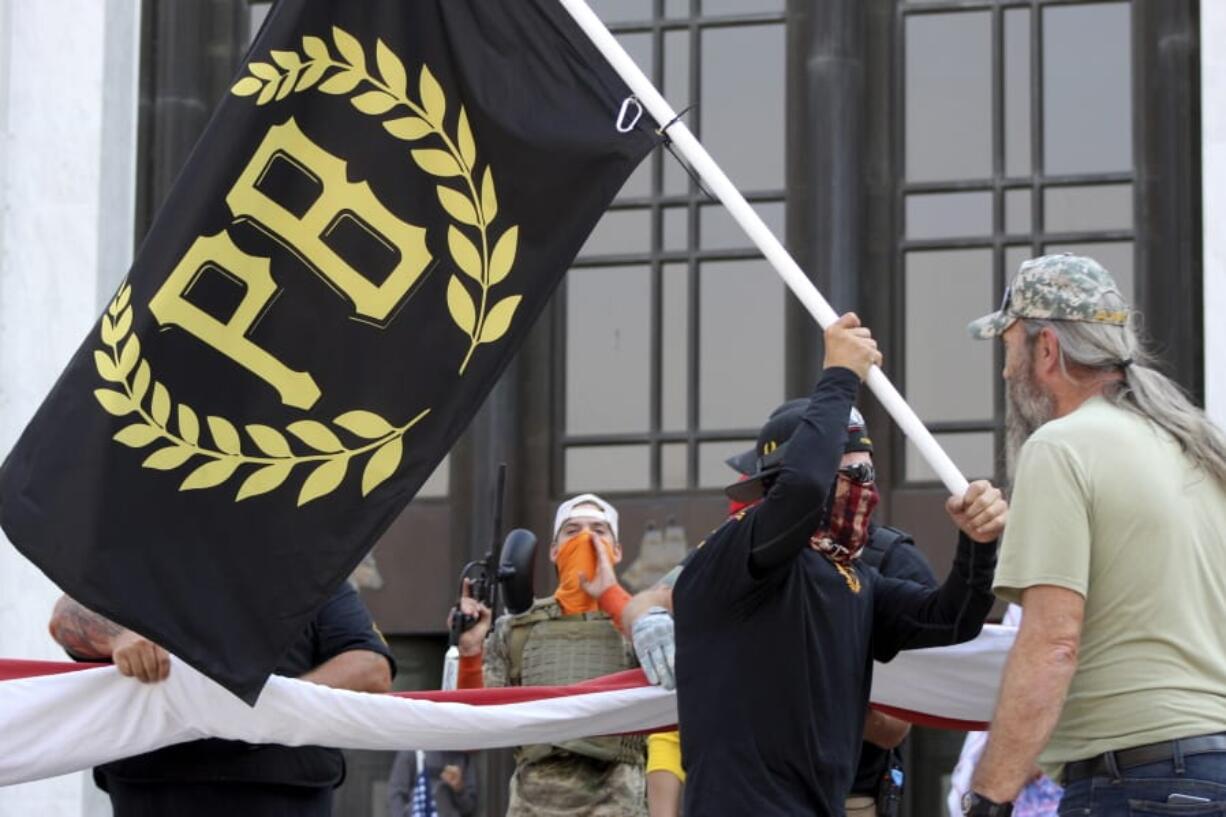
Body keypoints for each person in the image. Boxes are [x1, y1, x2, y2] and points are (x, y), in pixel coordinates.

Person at [622, 312, 1007, 816]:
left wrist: (978, 544)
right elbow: (802, 491)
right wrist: (840, 376)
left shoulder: (856, 578)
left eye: (869, 473)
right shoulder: (734, 554)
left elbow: (953, 618)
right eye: (850, 473)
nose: (864, 488)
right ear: (782, 482)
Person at [961, 254, 1226, 817]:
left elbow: (1053, 643)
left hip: (1138, 783)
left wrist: (989, 795)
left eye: (1009, 349)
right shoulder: (1199, 448)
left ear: (1047, 348)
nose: (1006, 372)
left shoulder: (1062, 448)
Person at [47, 583, 395, 817]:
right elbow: (65, 617)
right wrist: (118, 636)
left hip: (280, 787)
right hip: (159, 785)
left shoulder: (310, 570)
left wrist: (270, 708)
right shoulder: (138, 560)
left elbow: (372, 669)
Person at [454, 493, 647, 817]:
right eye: (572, 531)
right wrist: (471, 650)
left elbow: (678, 689)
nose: (586, 538)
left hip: (619, 802)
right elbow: (473, 730)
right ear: (554, 552)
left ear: (617, 551)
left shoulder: (642, 626)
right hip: (533, 804)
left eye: (599, 531)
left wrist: (616, 601)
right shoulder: (516, 629)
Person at [387, 750, 478, 817]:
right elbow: (396, 795)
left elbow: (469, 807)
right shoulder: (412, 751)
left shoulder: (462, 756)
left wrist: (459, 789)